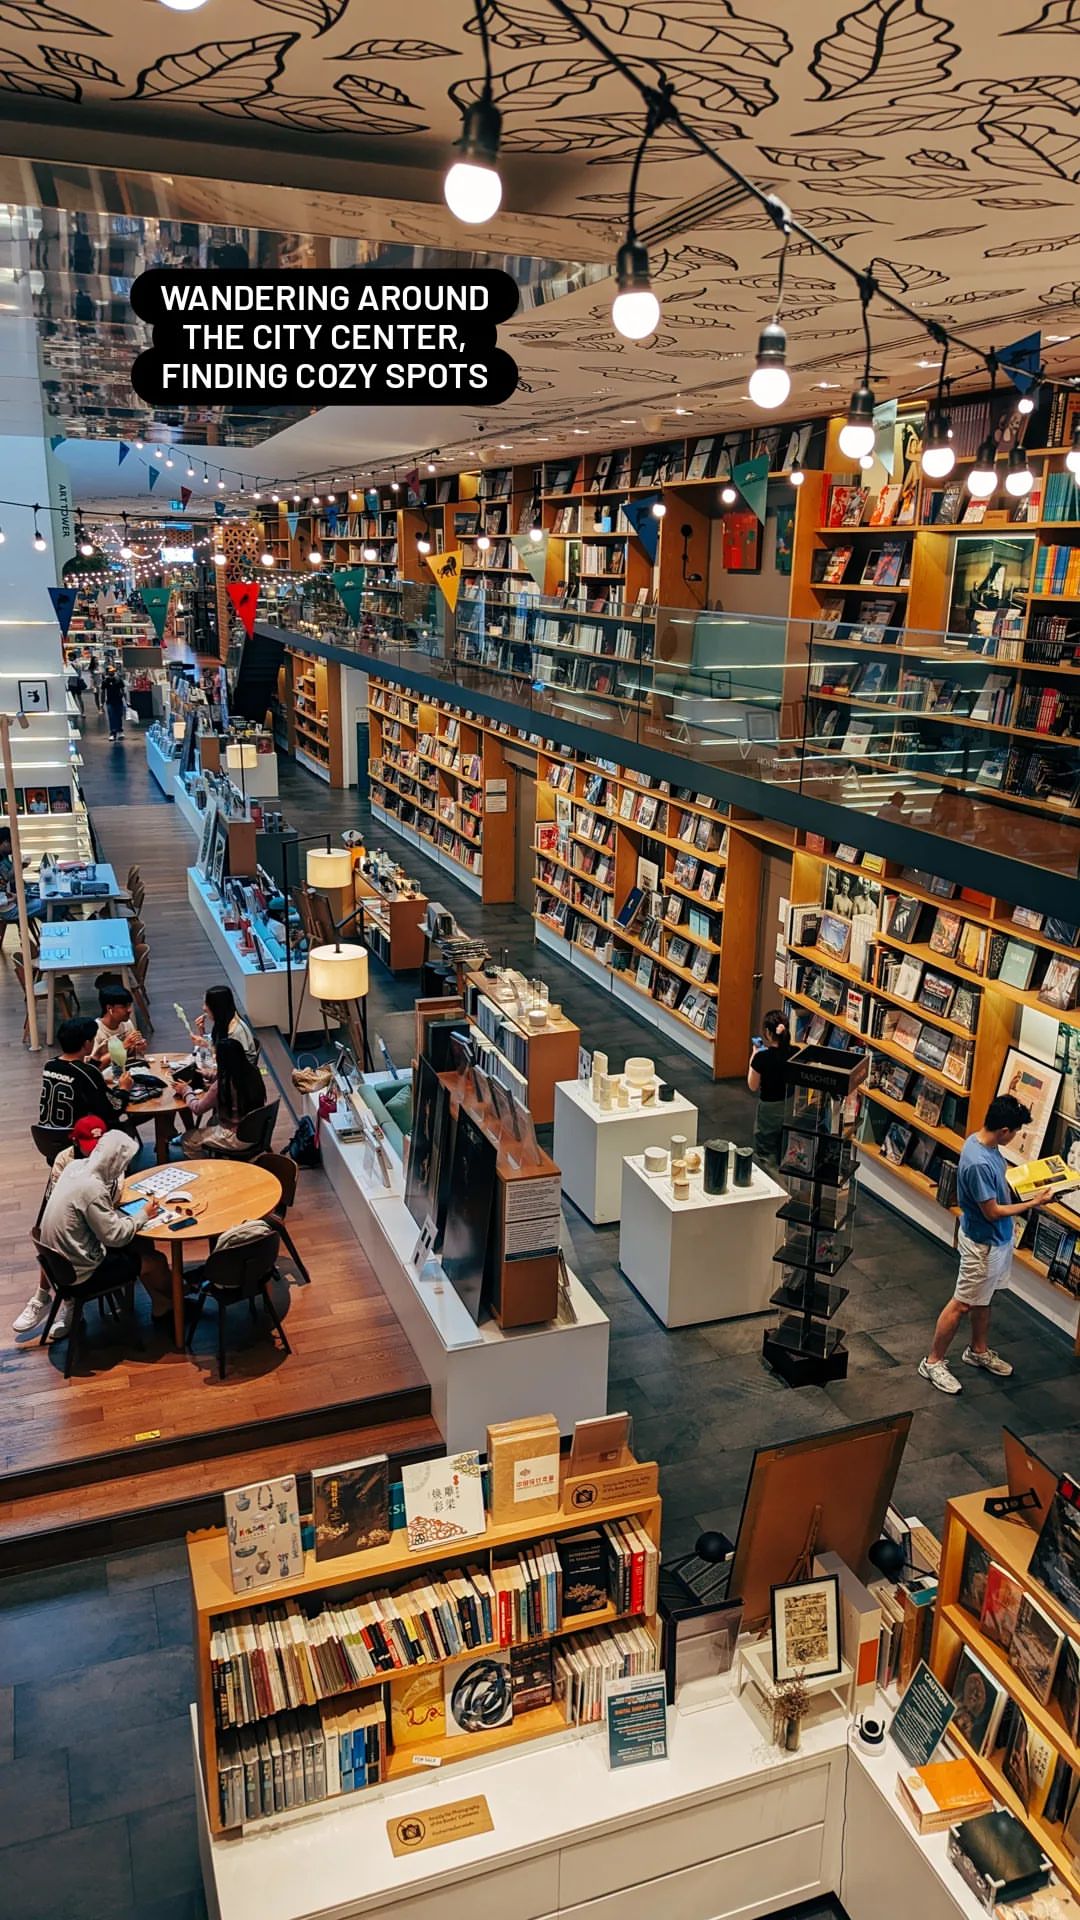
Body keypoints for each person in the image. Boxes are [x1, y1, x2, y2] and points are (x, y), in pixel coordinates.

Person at [918, 1095, 1052, 1394]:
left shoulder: (982, 1144)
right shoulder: (978, 1162)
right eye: (1015, 1132)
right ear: (1004, 1130)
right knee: (962, 1303)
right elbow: (991, 1211)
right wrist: (1034, 1203)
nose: (1015, 1137)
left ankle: (978, 1350)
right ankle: (932, 1361)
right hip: (983, 1244)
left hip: (997, 1240)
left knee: (983, 1298)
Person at [37, 1130, 172, 1340]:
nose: (124, 1168)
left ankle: (162, 1305)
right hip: (83, 1274)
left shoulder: (74, 1167)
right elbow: (115, 1237)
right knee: (157, 1261)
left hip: (59, 1267)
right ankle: (176, 1301)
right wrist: (143, 1214)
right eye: (124, 1164)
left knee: (140, 1246)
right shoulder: (93, 1188)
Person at [14, 1113, 107, 1332]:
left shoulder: (108, 1157)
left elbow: (112, 1195)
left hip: (97, 1218)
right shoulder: (65, 1160)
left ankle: (62, 1299)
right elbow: (60, 1199)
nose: (94, 1152)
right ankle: (54, 1298)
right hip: (76, 1220)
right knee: (52, 1235)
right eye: (89, 1146)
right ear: (75, 1141)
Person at [40, 1016, 131, 1134]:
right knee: (126, 1124)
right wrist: (124, 1088)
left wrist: (95, 1058)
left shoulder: (50, 1065)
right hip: (78, 1136)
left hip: (46, 1134)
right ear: (87, 1043)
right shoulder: (89, 1072)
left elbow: (77, 1075)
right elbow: (113, 1109)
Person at [179, 1036, 265, 1157]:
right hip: (255, 1130)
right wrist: (209, 1075)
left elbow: (197, 1109)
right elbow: (233, 1077)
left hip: (236, 1136)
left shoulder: (221, 1085)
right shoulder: (253, 1071)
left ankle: (207, 1165)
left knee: (188, 1139)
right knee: (212, 1121)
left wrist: (186, 1090)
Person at [747, 1009, 793, 1169]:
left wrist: (754, 1055)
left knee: (766, 1153)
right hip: (790, 1106)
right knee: (785, 1147)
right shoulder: (795, 1053)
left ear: (767, 1032)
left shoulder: (762, 1058)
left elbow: (752, 1085)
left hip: (769, 1109)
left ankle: (773, 1181)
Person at [193, 983, 259, 1066]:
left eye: (207, 1004)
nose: (204, 1008)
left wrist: (206, 1045)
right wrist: (202, 1033)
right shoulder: (223, 1022)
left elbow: (229, 1063)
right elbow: (216, 1045)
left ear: (217, 1007)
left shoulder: (235, 1032)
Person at [92, 985, 147, 1063]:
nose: (129, 1010)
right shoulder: (95, 1030)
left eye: (129, 1005)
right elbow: (94, 1065)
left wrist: (137, 1048)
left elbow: (130, 1055)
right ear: (109, 1008)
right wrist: (123, 1047)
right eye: (124, 1006)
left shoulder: (127, 1024)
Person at [103, 668, 126, 741]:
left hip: (118, 701)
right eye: (110, 671)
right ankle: (113, 733)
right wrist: (101, 703)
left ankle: (120, 731)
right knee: (112, 717)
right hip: (110, 701)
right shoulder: (105, 681)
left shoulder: (119, 680)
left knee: (119, 716)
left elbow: (123, 690)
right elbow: (103, 692)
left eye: (112, 671)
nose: (111, 673)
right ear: (108, 672)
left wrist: (126, 700)